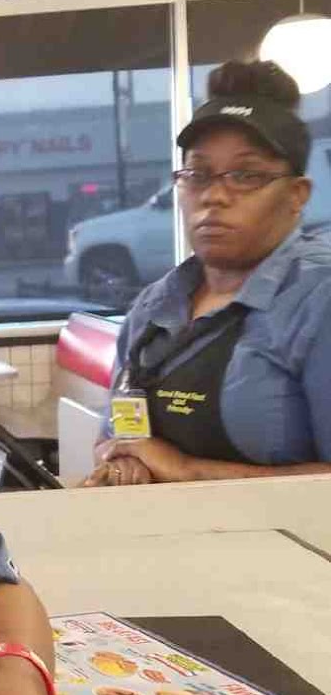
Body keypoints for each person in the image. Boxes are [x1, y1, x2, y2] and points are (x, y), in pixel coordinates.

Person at [88, 59, 331, 488]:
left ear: (297, 195)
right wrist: (124, 465)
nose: (214, 196)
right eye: (197, 174)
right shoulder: (153, 308)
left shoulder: (316, 302)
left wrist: (187, 471)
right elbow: (115, 438)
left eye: (245, 175)